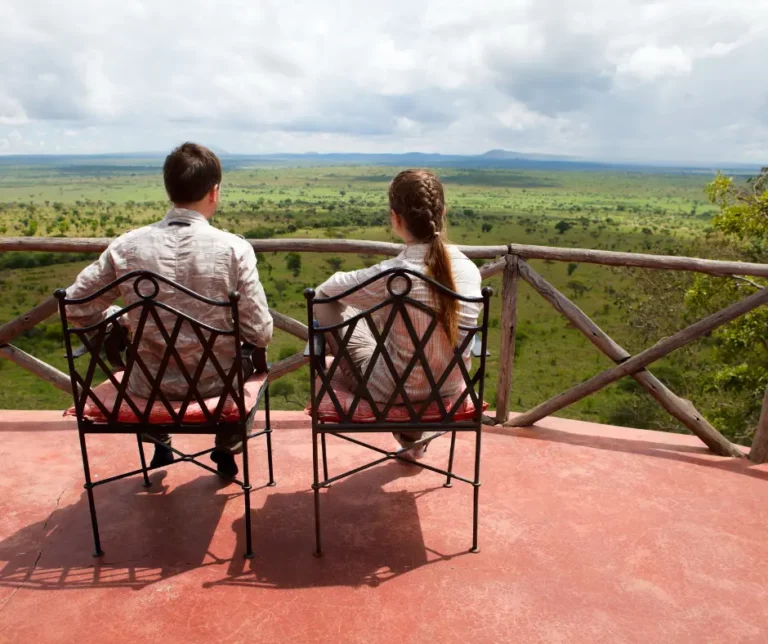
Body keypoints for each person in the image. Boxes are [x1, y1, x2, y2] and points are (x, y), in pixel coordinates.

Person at [65, 143, 273, 477]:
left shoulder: (126, 246)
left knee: (135, 352)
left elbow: (74, 306)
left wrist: (115, 317)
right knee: (253, 358)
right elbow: (260, 332)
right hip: (216, 388)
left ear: (168, 190)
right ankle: (225, 444)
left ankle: (160, 438)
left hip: (145, 389)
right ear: (214, 192)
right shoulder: (235, 249)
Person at [314, 169, 482, 461]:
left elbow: (326, 290)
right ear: (443, 212)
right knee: (393, 319)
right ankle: (411, 437)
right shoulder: (468, 269)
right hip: (449, 387)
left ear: (396, 218)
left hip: (390, 390)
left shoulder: (394, 274)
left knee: (329, 301)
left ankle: (408, 433)